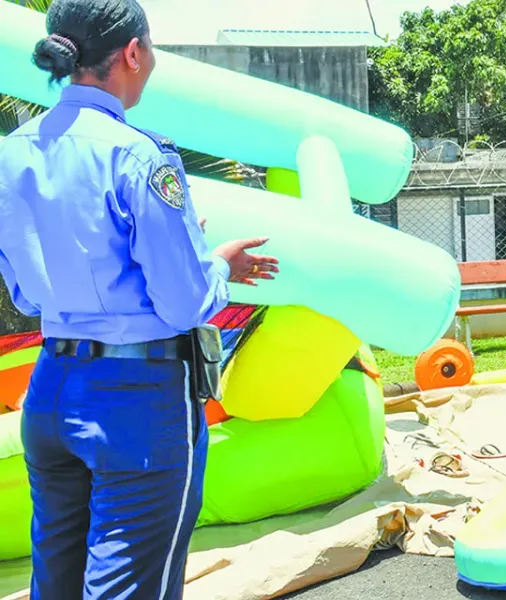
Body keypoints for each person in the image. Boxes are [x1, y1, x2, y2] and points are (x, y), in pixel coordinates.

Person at [0, 0, 278, 597]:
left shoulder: (13, 153)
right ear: (132, 52)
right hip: (138, 403)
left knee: (59, 582)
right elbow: (183, 303)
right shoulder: (140, 155)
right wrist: (217, 265)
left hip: (49, 388)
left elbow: (25, 294)